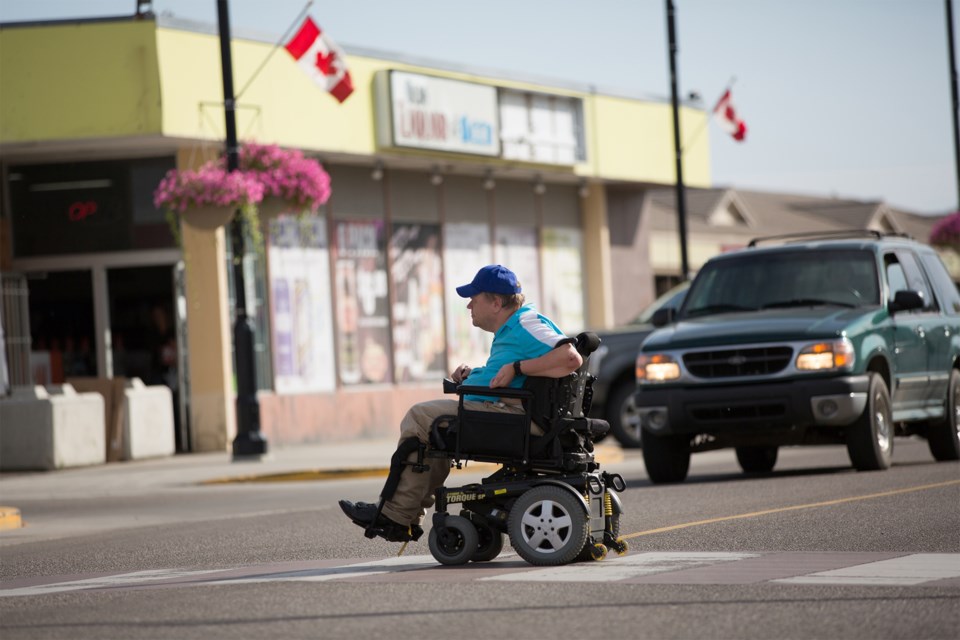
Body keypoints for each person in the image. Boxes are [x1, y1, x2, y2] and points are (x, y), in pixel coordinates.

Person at [339, 264, 583, 540]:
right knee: (434, 429)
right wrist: (473, 375)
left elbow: (571, 358)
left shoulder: (526, 322)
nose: (469, 306)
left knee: (420, 417)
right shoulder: (513, 329)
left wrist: (518, 368)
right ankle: (400, 514)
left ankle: (396, 515)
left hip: (521, 420)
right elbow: (503, 374)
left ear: (496, 302)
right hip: (516, 413)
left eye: (474, 299)